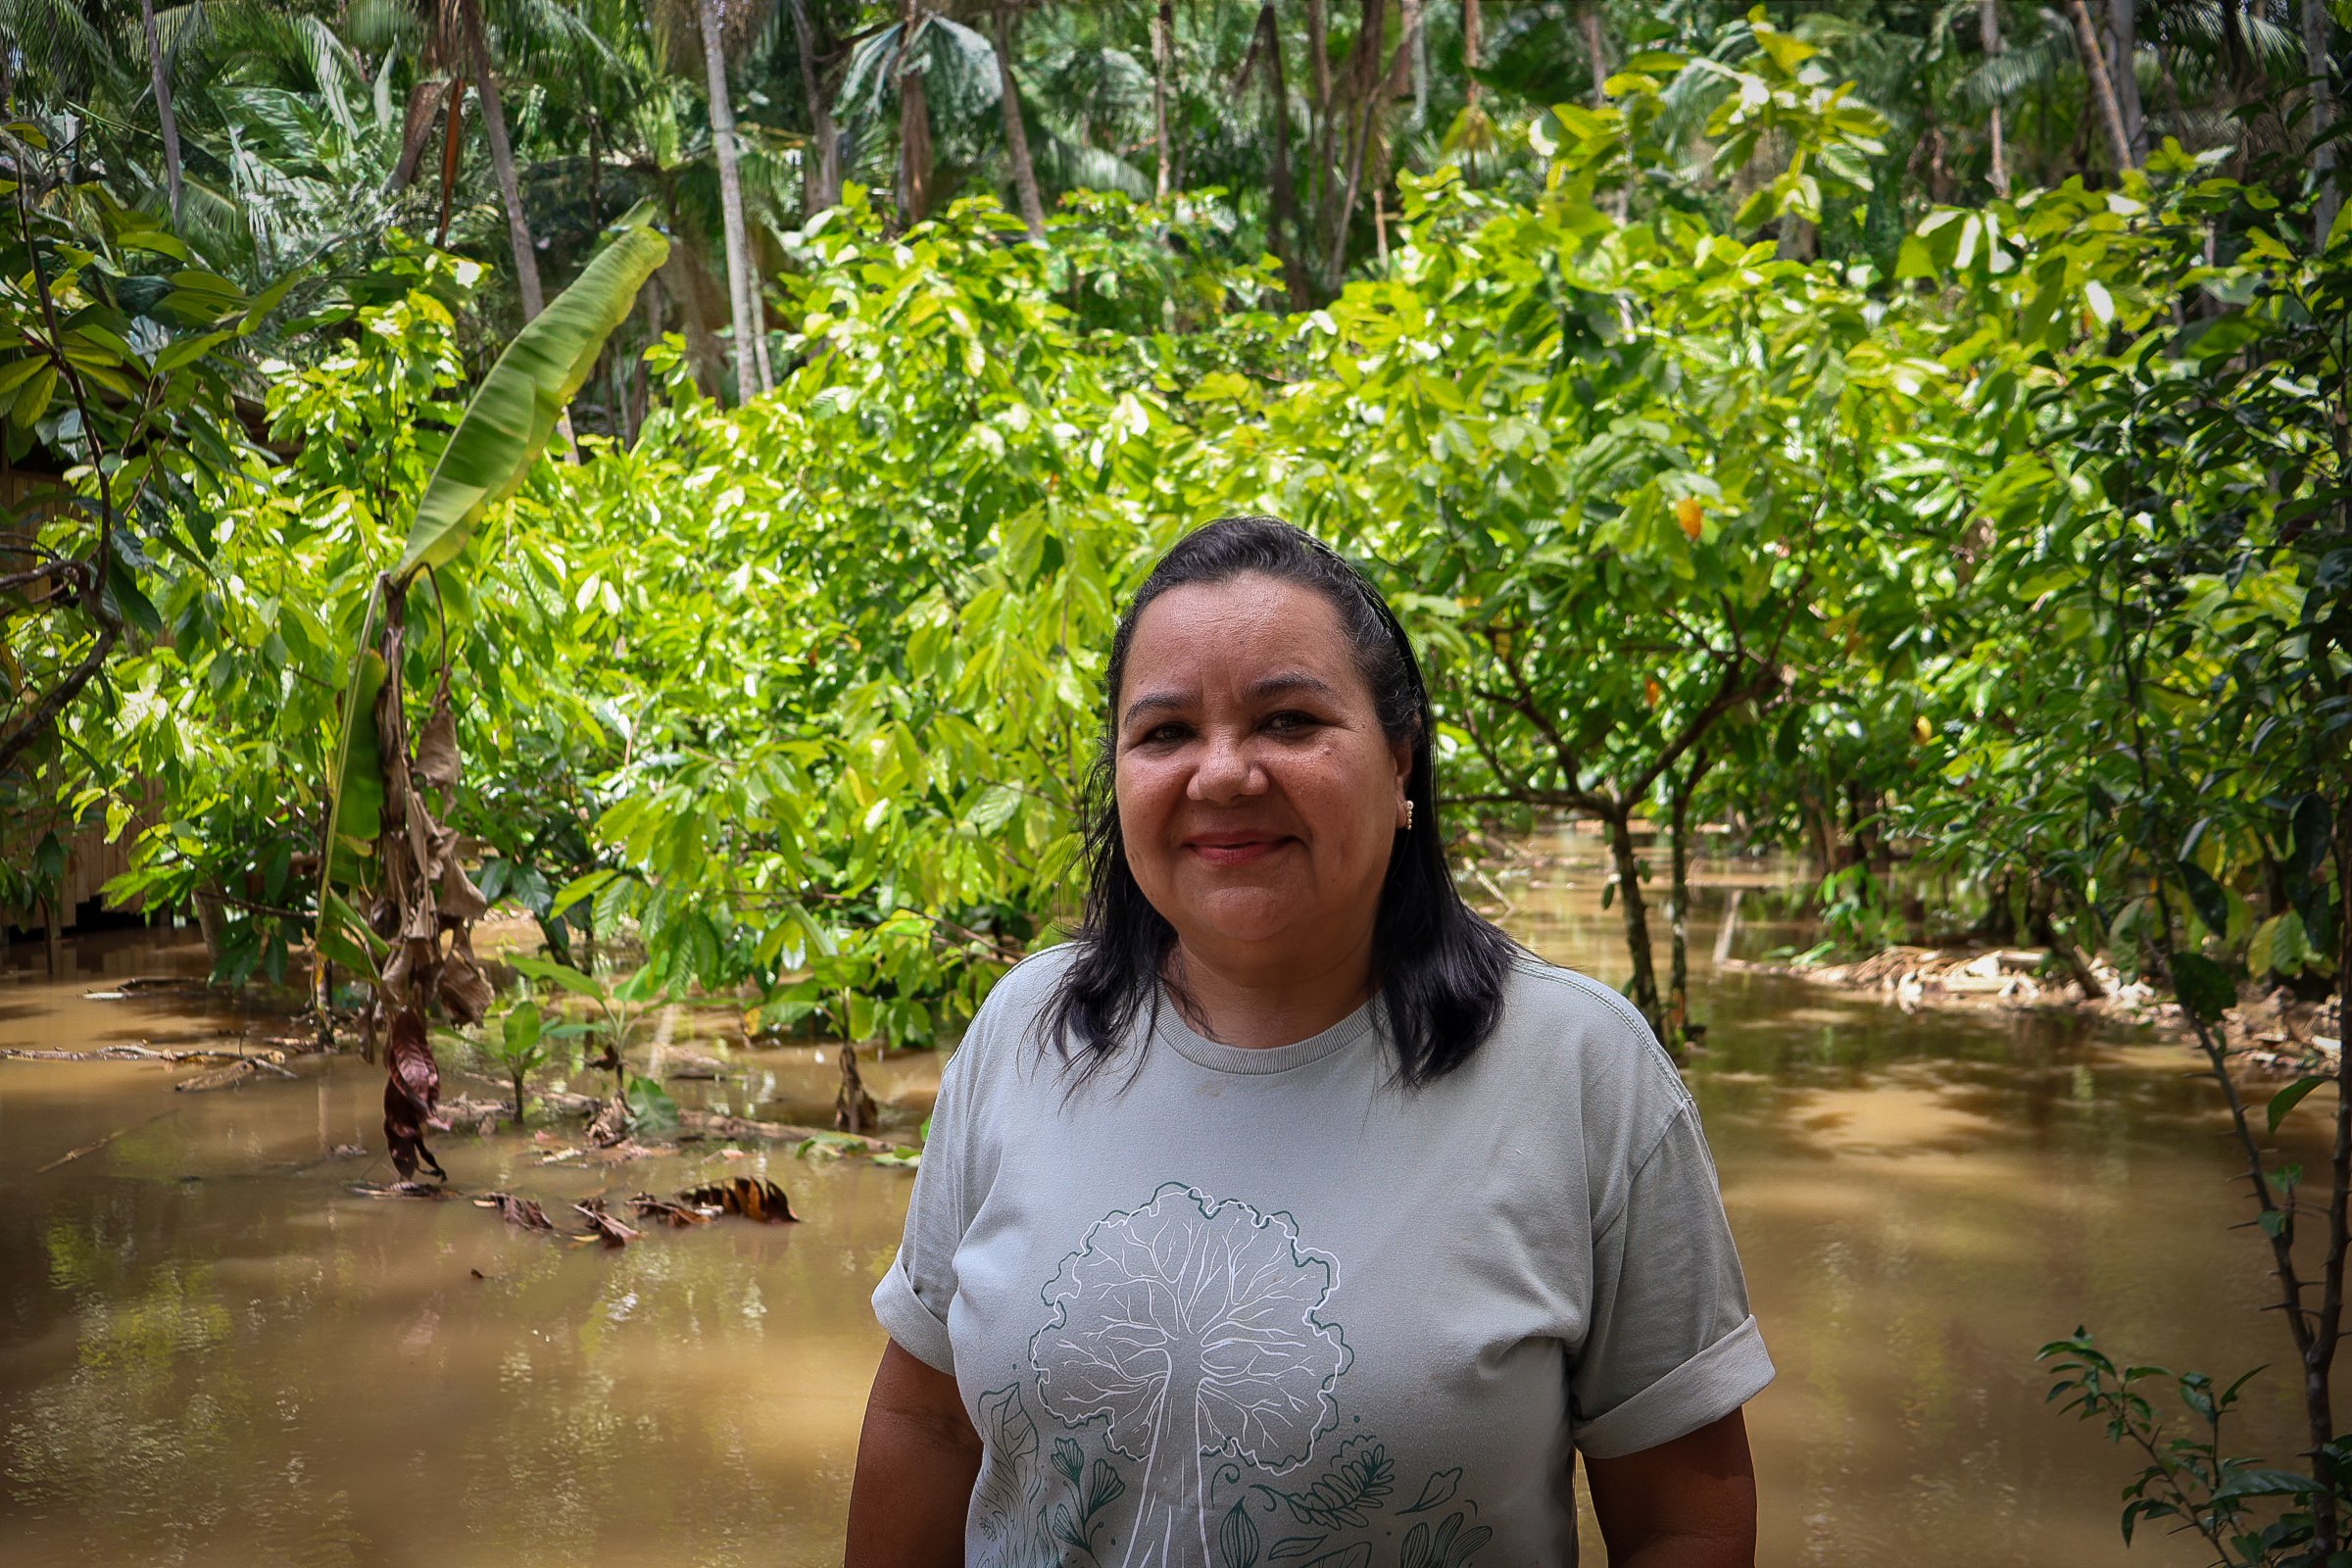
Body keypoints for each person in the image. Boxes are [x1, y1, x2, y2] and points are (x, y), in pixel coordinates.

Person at [847, 516, 1771, 1567]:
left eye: (1288, 721)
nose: (1222, 773)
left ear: (1402, 759)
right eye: (1165, 732)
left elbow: (1685, 1519)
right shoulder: (1028, 1028)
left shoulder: (1581, 1069)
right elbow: (925, 1422)